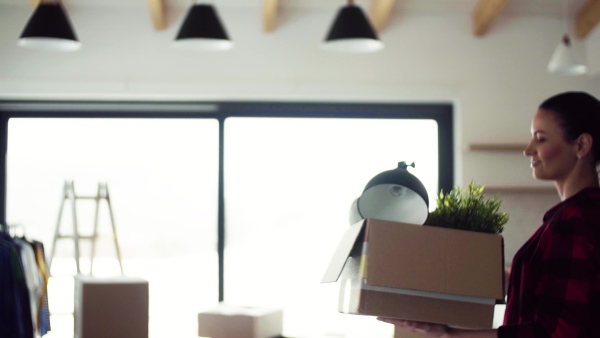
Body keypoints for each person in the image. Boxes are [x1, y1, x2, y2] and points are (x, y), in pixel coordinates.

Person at [378, 91, 600, 337]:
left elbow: (554, 333)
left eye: (540, 139)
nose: (528, 150)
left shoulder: (573, 222)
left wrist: (450, 335)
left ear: (581, 145)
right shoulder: (577, 217)